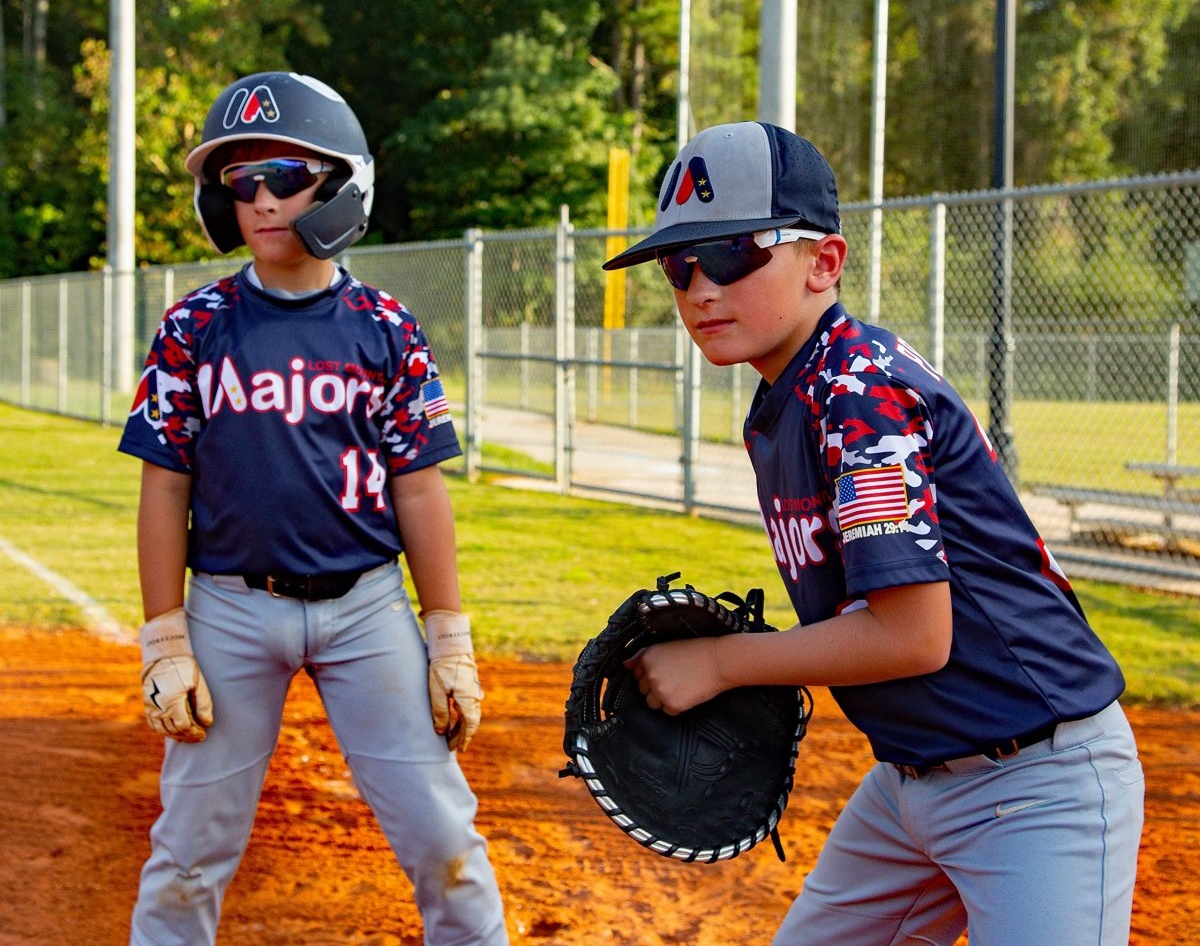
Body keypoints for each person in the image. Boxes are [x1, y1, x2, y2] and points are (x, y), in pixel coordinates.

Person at [602, 121, 1144, 945]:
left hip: (1039, 781)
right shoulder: (781, 403)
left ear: (824, 262)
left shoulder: (858, 392)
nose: (700, 289)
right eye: (679, 266)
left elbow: (913, 636)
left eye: (733, 254)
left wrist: (723, 663)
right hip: (909, 783)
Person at [119, 71, 508, 946]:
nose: (260, 200)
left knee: (445, 835)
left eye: (286, 176)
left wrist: (446, 635)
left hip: (366, 607)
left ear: (342, 186)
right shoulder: (193, 327)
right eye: (239, 183)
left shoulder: (386, 327)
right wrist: (164, 635)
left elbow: (418, 484)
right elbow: (164, 483)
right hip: (227, 606)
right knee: (188, 851)